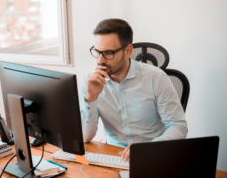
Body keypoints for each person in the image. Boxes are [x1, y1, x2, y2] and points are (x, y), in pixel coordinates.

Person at [79, 18, 188, 162]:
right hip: (113, 155)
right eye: (97, 52)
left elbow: (178, 126)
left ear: (128, 51)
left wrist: (149, 148)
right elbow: (85, 137)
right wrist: (91, 98)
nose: (100, 60)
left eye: (108, 53)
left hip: (152, 155)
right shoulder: (90, 81)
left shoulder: (156, 78)